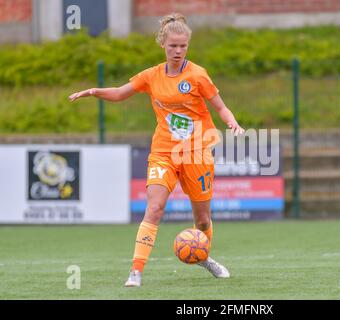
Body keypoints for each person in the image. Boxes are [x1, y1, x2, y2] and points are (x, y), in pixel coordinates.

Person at [69, 13, 245, 287]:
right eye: (173, 45)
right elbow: (119, 93)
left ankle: (203, 257)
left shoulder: (197, 75)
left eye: (183, 46)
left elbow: (220, 106)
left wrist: (232, 122)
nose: (178, 51)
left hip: (197, 153)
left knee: (201, 221)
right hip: (163, 152)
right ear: (163, 44)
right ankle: (136, 271)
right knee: (155, 207)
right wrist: (93, 91)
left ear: (188, 45)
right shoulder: (151, 76)